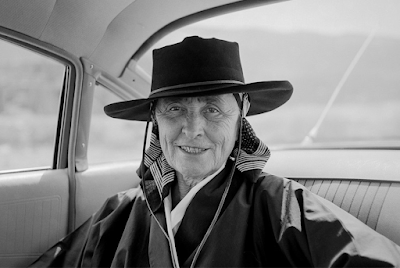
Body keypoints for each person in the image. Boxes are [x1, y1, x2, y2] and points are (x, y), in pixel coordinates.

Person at [30, 36, 400, 267]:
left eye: (212, 109)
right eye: (176, 109)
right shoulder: (119, 213)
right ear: (155, 119)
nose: (193, 129)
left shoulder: (280, 205)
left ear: (241, 115)